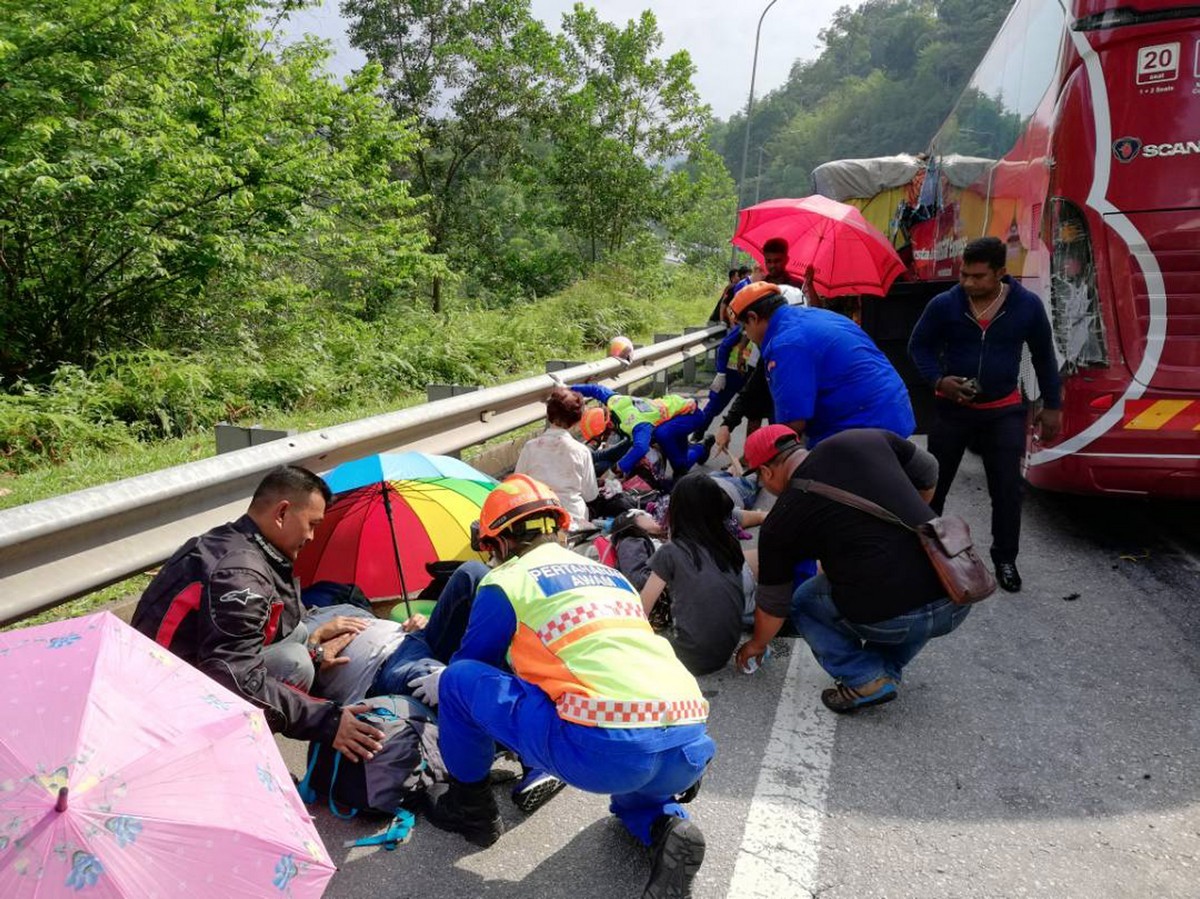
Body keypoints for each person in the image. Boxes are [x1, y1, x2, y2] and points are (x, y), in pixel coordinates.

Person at [412, 475, 714, 898]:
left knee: (459, 681)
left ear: (500, 542)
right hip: (687, 741)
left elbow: (474, 664)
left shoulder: (508, 580)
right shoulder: (610, 577)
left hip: (605, 749)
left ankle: (470, 808)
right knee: (635, 794)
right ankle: (665, 825)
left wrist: (444, 680)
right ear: (560, 528)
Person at [131, 465, 385, 762]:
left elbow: (261, 636)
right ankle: (231, 760)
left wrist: (316, 650)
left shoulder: (235, 540)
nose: (312, 536)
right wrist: (326, 720)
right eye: (311, 524)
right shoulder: (240, 575)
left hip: (175, 671)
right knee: (294, 664)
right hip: (166, 701)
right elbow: (231, 672)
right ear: (282, 513)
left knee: (299, 635)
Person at [735, 426, 971, 713]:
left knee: (805, 600)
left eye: (760, 477)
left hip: (899, 617)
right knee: (897, 586)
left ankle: (865, 677)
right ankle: (884, 670)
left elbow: (774, 605)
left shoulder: (781, 521)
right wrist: (911, 518)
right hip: (956, 592)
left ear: (766, 471)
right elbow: (929, 469)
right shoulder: (861, 439)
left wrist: (757, 644)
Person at [908, 236, 1062, 593]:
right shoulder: (944, 304)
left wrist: (1052, 405)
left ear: (1000, 273)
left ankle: (1005, 559)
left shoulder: (1027, 306)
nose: (968, 283)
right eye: (964, 274)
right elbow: (919, 346)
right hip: (952, 411)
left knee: (1007, 490)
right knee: (933, 486)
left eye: (978, 277)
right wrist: (938, 380)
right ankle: (924, 555)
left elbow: (1044, 356)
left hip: (1003, 411)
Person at [729, 281, 915, 447]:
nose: (747, 335)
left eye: (744, 328)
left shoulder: (786, 343)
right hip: (894, 410)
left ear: (753, 318)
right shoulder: (816, 316)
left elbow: (792, 425)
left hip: (865, 425)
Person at [640, 472, 748, 676]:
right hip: (724, 652)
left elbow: (641, 610)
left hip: (688, 658)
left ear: (676, 511)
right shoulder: (729, 543)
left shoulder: (671, 551)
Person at [571, 383, 713, 478]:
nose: (605, 439)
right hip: (671, 414)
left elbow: (641, 448)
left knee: (679, 467)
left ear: (608, 425)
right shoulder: (613, 402)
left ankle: (702, 447)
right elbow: (595, 389)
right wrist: (569, 389)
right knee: (662, 440)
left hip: (689, 415)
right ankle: (697, 449)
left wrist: (617, 469)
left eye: (602, 436)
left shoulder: (635, 423)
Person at [515, 386, 598, 528]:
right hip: (573, 520)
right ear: (577, 420)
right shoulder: (581, 451)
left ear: (549, 414)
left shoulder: (530, 447)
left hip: (538, 520)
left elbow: (519, 484)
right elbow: (591, 495)